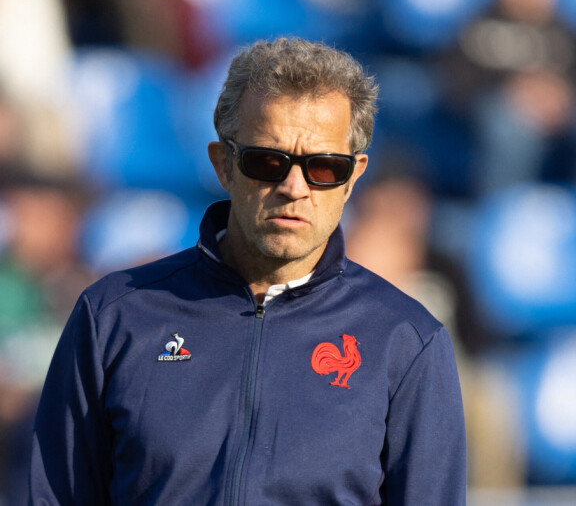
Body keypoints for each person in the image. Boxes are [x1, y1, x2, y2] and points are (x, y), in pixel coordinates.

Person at [29, 37, 466, 505]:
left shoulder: (406, 340)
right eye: (267, 162)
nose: (294, 187)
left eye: (323, 167)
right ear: (224, 165)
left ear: (353, 176)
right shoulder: (113, 317)